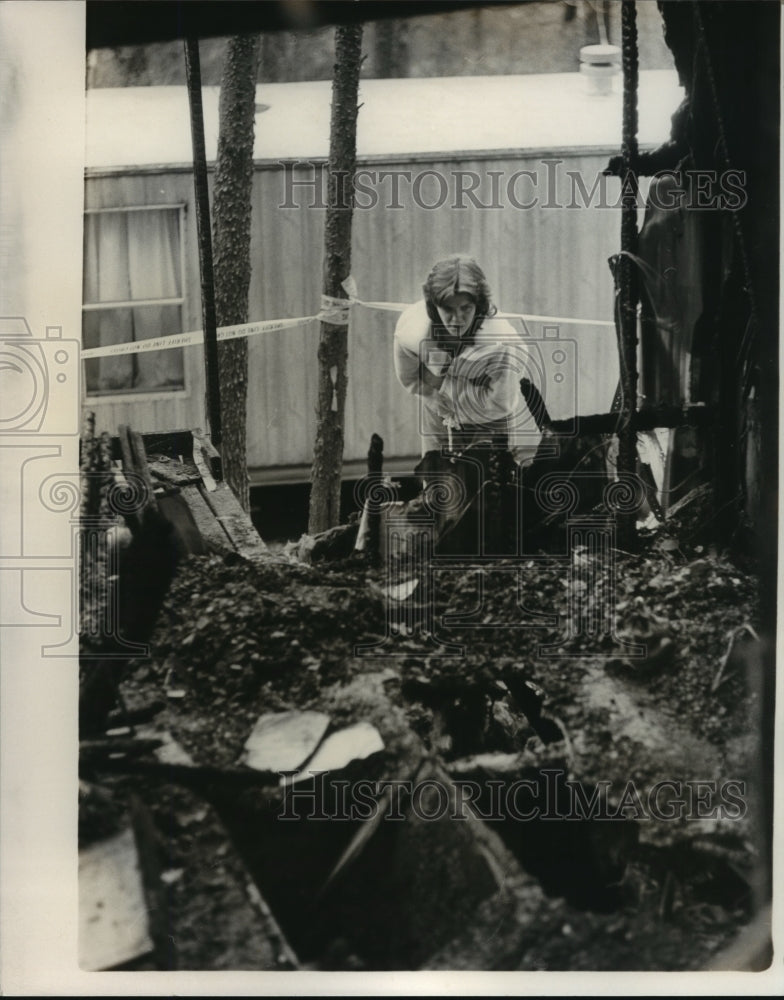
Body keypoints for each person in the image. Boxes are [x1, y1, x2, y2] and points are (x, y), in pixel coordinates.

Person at [393, 255, 540, 465]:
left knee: (486, 487)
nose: (457, 319)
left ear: (478, 305)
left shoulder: (500, 343)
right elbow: (409, 376)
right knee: (437, 485)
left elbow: (500, 402)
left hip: (488, 421)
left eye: (465, 308)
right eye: (448, 310)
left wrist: (439, 382)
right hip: (437, 411)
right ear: (434, 306)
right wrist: (442, 392)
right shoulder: (413, 331)